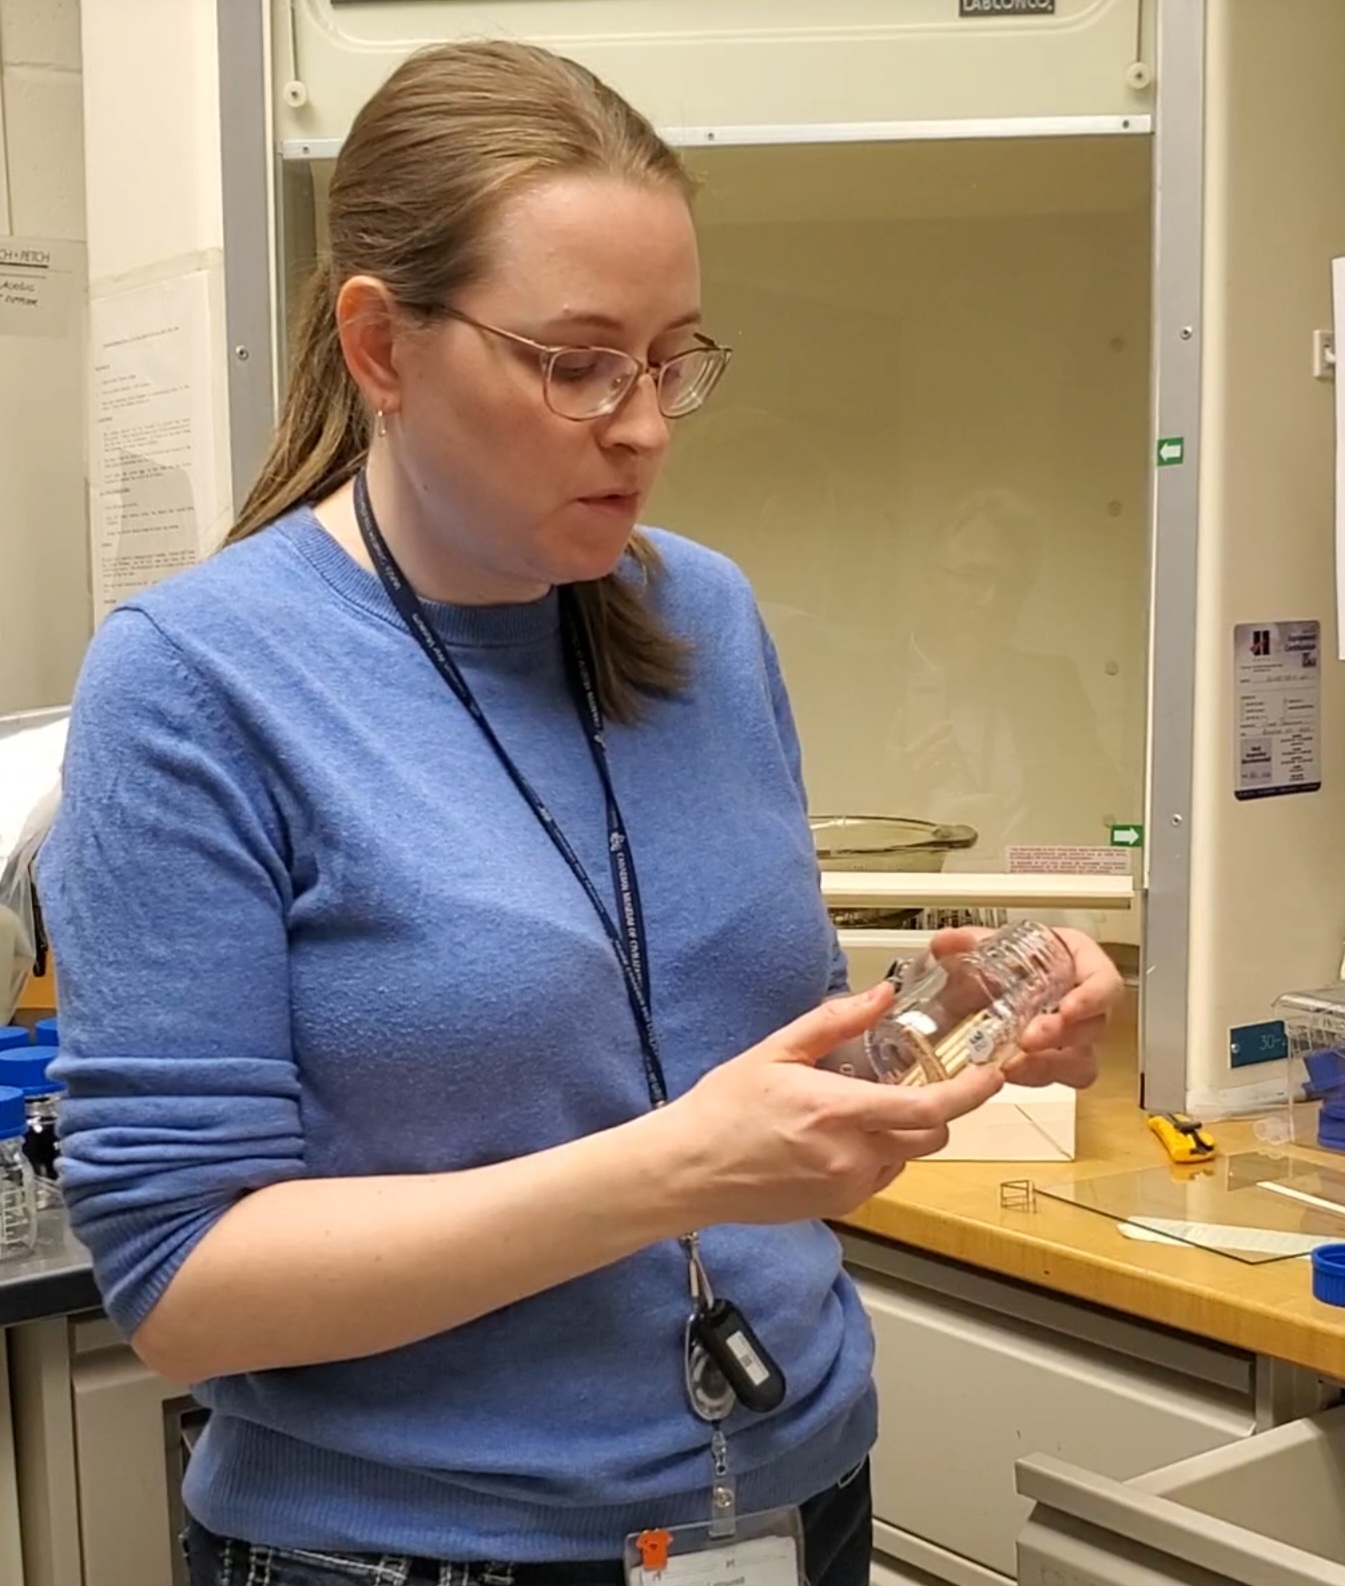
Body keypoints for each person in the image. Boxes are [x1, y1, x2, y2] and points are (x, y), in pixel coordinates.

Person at [38, 40, 1122, 1586]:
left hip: (794, 1499)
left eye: (673, 356)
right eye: (576, 361)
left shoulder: (708, 617)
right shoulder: (199, 680)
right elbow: (185, 1288)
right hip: (412, 1552)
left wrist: (944, 1028)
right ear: (380, 343)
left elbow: (734, 1052)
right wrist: (673, 1166)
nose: (643, 424)